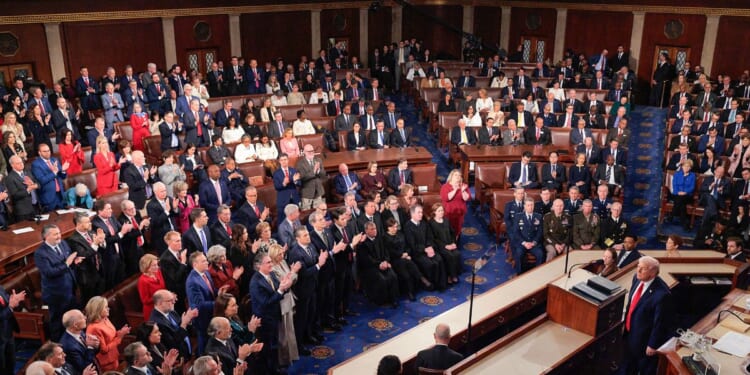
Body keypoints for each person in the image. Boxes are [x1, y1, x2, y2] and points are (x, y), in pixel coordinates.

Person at [621, 256, 673, 375]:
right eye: (638, 267)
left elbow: (660, 322)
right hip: (630, 333)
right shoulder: (637, 278)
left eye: (642, 269)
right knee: (627, 365)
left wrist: (653, 344)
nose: (638, 271)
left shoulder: (662, 294)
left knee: (644, 370)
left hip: (645, 341)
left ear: (653, 272)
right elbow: (631, 304)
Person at [250, 254, 294, 373]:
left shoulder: (272, 274)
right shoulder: (255, 282)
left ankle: (275, 368)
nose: (271, 264)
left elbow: (279, 290)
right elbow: (266, 303)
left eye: (271, 262)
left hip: (274, 316)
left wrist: (285, 287)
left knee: (274, 345)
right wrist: (281, 290)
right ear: (259, 265)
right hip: (264, 321)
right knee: (267, 349)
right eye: (268, 262)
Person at [35, 225, 80, 341]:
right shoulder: (40, 253)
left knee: (71, 319)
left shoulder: (63, 243)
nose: (59, 236)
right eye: (55, 234)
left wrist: (74, 262)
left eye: (59, 233)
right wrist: (67, 264)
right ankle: (57, 344)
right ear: (46, 236)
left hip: (70, 289)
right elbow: (49, 272)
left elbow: (68, 263)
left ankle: (71, 340)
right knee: (58, 322)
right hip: (56, 294)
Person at [186, 252, 229, 354]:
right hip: (203, 318)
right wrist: (219, 304)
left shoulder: (206, 273)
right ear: (195, 264)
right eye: (204, 261)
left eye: (206, 260)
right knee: (204, 345)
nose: (207, 262)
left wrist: (218, 292)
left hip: (211, 314)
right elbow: (200, 305)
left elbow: (211, 290)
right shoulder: (192, 281)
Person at [358, 221, 400, 307]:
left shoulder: (380, 239)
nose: (375, 231)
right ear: (366, 231)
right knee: (382, 279)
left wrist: (386, 261)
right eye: (372, 229)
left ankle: (393, 299)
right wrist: (379, 264)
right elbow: (367, 259)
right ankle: (381, 300)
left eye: (375, 228)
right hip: (371, 267)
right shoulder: (362, 243)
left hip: (383, 263)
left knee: (393, 276)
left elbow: (386, 253)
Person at [404, 205, 447, 290]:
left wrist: (430, 247)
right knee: (430, 264)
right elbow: (412, 244)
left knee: (439, 259)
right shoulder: (408, 226)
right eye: (418, 212)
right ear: (412, 214)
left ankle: (441, 284)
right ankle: (430, 285)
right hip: (417, 253)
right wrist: (424, 249)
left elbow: (429, 237)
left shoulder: (424, 224)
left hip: (428, 249)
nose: (421, 214)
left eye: (421, 212)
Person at [85, 296, 131, 371]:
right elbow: (104, 350)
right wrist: (119, 337)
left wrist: (121, 332)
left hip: (114, 357)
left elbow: (111, 335)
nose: (108, 309)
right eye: (105, 307)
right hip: (106, 363)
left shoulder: (105, 319)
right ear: (98, 310)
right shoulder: (94, 328)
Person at [150, 289, 197, 359]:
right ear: (160, 303)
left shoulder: (171, 311)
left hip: (186, 348)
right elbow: (173, 343)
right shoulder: (157, 322)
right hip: (178, 357)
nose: (173, 302)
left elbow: (181, 326)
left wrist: (188, 320)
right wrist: (184, 324)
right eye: (170, 300)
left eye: (173, 299)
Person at [429, 203, 462, 285]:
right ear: (434, 212)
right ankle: (449, 276)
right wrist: (445, 246)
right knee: (449, 256)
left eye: (442, 210)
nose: (441, 212)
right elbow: (434, 239)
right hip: (440, 246)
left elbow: (452, 232)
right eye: (439, 211)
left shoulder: (446, 220)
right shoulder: (431, 223)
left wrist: (454, 243)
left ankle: (454, 274)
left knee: (457, 254)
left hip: (450, 243)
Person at [59, 309, 100, 374]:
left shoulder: (79, 331)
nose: (85, 317)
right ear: (75, 325)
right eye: (82, 317)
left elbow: (91, 353)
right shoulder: (69, 346)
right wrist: (91, 347)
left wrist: (95, 344)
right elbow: (85, 367)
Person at [510, 198, 544, 273]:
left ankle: (538, 273)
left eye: (532, 205)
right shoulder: (518, 216)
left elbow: (540, 232)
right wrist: (524, 243)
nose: (530, 207)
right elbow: (516, 232)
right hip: (522, 243)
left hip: (533, 244)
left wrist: (534, 242)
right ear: (524, 206)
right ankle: (519, 273)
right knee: (518, 254)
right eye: (528, 205)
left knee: (540, 254)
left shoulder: (538, 216)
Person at [31, 143, 68, 211]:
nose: (47, 153)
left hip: (60, 195)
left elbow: (63, 177)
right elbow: (41, 180)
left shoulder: (54, 160)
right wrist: (53, 172)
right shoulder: (36, 164)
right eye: (44, 151)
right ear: (39, 152)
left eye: (48, 151)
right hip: (48, 197)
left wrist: (63, 170)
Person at [440, 169, 470, 238]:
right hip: (448, 212)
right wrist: (455, 190)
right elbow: (446, 198)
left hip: (460, 213)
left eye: (459, 175)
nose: (458, 177)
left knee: (457, 230)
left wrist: (462, 191)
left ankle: (455, 243)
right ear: (451, 176)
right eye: (456, 175)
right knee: (448, 230)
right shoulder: (445, 186)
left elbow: (466, 198)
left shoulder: (463, 186)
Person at [0, 284, 23, 375]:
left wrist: (15, 299)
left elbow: (7, 302)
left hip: (8, 333)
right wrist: (10, 307)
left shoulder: (0, 287)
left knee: (11, 363)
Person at [296, 144, 326, 210]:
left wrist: (318, 171)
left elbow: (324, 174)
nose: (311, 153)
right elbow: (303, 177)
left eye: (312, 151)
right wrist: (314, 171)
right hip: (307, 193)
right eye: (309, 151)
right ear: (304, 152)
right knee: (306, 213)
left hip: (318, 191)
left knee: (319, 212)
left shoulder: (318, 160)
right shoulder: (300, 163)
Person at [669, 159, 695, 229]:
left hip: (687, 195)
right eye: (685, 166)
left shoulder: (692, 175)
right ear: (682, 166)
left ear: (690, 168)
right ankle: (684, 222)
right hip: (677, 194)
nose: (686, 168)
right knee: (682, 203)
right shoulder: (677, 174)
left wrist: (685, 192)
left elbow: (692, 187)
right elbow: (674, 185)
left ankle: (672, 215)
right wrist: (678, 192)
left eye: (688, 167)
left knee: (681, 199)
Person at [137, 254, 165, 321]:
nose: (157, 267)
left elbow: (163, 288)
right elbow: (145, 300)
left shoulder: (158, 272)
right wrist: (162, 296)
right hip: (152, 311)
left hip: (163, 305)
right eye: (154, 265)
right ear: (146, 267)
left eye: (157, 264)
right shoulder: (142, 281)